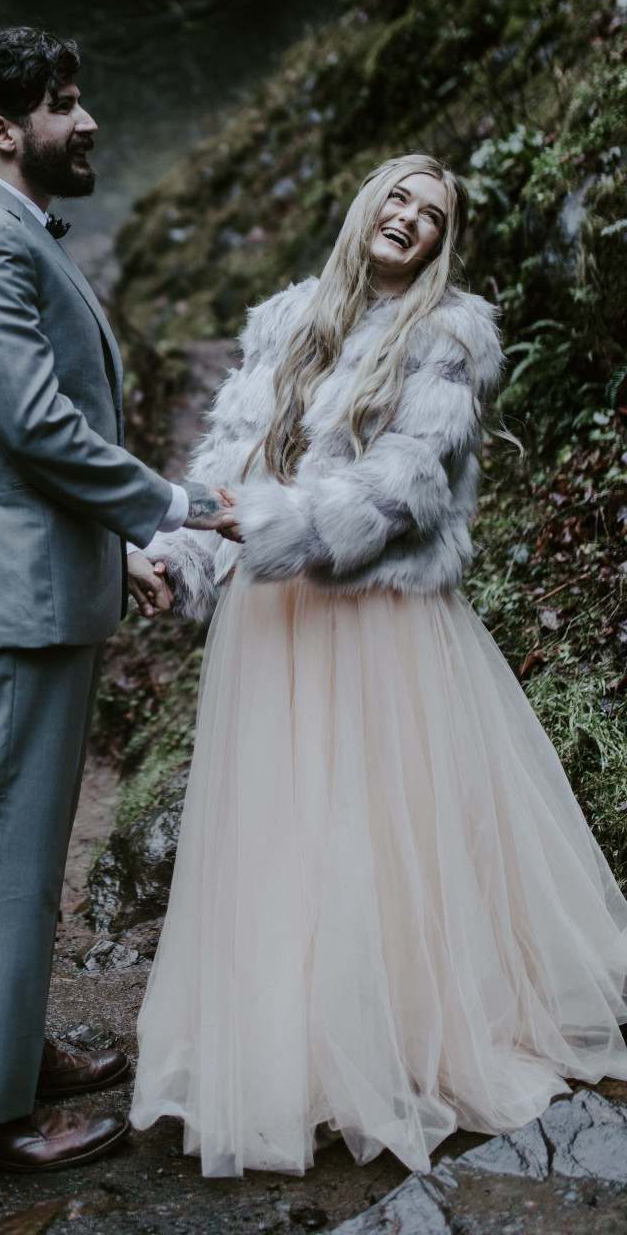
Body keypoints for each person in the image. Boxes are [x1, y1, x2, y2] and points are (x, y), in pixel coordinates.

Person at [129, 153, 627, 1178]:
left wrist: (267, 524)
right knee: (283, 839)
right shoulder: (283, 322)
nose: (409, 218)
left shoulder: (446, 338)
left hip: (379, 628)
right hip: (272, 634)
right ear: (366, 208)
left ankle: (404, 1039)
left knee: (379, 835)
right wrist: (175, 554)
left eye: (432, 214)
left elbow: (403, 491)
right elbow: (229, 463)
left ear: (443, 243)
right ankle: (295, 1049)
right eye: (398, 197)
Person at [0, 26, 233, 1174]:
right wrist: (173, 507)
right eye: (64, 103)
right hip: (16, 592)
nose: (87, 121)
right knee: (12, 845)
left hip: (33, 575)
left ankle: (5, 1051)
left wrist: (114, 546)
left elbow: (32, 444)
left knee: (29, 841)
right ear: (4, 130)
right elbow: (39, 428)